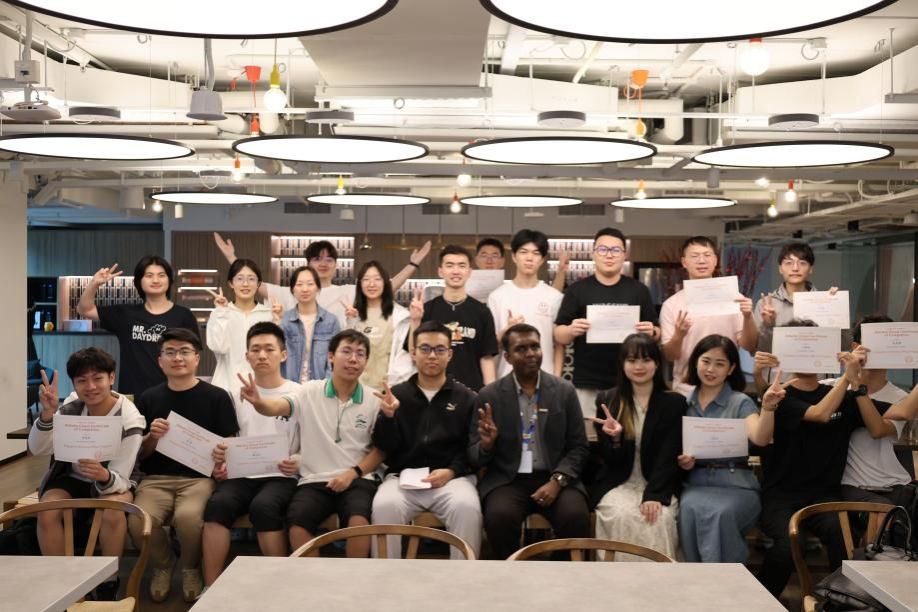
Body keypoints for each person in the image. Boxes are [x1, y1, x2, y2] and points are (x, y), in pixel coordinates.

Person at [754, 321, 890, 599]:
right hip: (781, 496)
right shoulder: (779, 396)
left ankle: (840, 603)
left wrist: (857, 383)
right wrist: (847, 378)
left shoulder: (845, 397)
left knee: (842, 538)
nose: (807, 353)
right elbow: (819, 414)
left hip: (825, 496)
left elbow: (891, 417)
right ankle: (759, 603)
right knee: (787, 547)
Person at [240, 330, 386, 558]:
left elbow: (381, 450)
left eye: (360, 354)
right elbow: (277, 407)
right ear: (331, 356)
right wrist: (259, 403)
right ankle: (311, 578)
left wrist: (352, 474)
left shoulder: (374, 399)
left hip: (357, 480)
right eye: (346, 351)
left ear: (366, 361)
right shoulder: (309, 391)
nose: (353, 359)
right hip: (314, 481)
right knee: (298, 523)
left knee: (358, 521)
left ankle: (356, 579)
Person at [128, 328, 239, 603]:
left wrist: (222, 456)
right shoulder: (149, 398)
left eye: (185, 352)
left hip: (199, 479)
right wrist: (152, 437)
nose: (177, 358)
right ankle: (164, 564)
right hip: (155, 479)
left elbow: (231, 443)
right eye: (170, 352)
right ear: (160, 361)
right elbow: (140, 454)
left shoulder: (217, 396)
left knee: (189, 518)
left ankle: (190, 567)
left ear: (197, 358)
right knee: (138, 521)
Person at [28, 347, 145, 601]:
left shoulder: (130, 419)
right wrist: (48, 414)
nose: (90, 387)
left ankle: (108, 583)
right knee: (47, 510)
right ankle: (61, 582)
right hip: (72, 477)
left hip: (116, 480)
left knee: (112, 512)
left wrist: (103, 475)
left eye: (98, 378)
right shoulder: (71, 407)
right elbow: (37, 449)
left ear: (111, 378)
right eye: (82, 380)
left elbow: (122, 474)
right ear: (74, 384)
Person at [470, 323, 590, 559]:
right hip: (508, 480)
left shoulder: (564, 391)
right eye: (521, 349)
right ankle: (512, 575)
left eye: (535, 346)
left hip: (556, 476)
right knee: (499, 518)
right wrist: (487, 444)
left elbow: (579, 447)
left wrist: (558, 480)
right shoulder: (489, 395)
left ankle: (561, 575)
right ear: (507, 357)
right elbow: (473, 456)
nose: (530, 354)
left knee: (575, 517)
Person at [201, 322, 301, 589]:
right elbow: (227, 440)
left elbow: (311, 440)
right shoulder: (234, 396)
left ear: (283, 354)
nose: (262, 355)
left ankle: (279, 586)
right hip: (242, 474)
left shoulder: (299, 393)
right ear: (246, 356)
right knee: (218, 505)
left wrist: (298, 460)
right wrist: (221, 460)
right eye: (255, 350)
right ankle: (210, 588)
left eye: (269, 349)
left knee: (264, 507)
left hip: (282, 475)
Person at [371, 321, 481, 558]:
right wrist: (388, 418)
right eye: (425, 349)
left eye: (440, 349)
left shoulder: (467, 398)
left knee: (467, 508)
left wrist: (452, 471)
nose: (432, 355)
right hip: (403, 479)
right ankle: (382, 575)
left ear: (450, 354)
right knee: (384, 506)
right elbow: (385, 448)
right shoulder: (396, 395)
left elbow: (471, 448)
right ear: (413, 352)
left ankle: (467, 575)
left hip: (452, 480)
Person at [677, 334, 786, 563]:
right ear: (696, 361)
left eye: (720, 363)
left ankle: (727, 578)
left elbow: (760, 438)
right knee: (686, 509)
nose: (711, 369)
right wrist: (682, 461)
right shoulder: (683, 403)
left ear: (731, 368)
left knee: (722, 514)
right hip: (696, 483)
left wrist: (768, 408)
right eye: (706, 361)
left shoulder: (740, 401)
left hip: (737, 484)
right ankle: (696, 577)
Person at [588, 334, 685, 561]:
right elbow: (610, 461)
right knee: (620, 515)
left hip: (659, 484)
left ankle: (658, 581)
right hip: (618, 483)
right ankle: (617, 580)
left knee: (659, 518)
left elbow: (669, 454)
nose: (639, 366)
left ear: (657, 363)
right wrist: (615, 439)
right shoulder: (608, 400)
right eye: (631, 360)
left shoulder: (674, 402)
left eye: (646, 360)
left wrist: (654, 495)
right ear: (622, 364)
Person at [554, 228, 659, 429]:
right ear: (593, 253)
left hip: (632, 382)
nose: (609, 255)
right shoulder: (577, 290)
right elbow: (559, 335)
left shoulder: (639, 290)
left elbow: (657, 332)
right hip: (587, 383)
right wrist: (571, 330)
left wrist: (651, 332)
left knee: (631, 436)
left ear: (624, 255)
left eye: (615, 250)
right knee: (587, 438)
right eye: (602, 249)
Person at [214, 232, 431, 328]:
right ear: (308, 263)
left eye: (329, 259)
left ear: (336, 264)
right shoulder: (290, 292)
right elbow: (250, 281)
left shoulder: (347, 291)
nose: (323, 264)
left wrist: (412, 265)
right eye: (317, 259)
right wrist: (232, 258)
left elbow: (385, 286)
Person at [826, 316, 918, 516]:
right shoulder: (832, 388)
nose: (883, 350)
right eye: (877, 342)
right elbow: (788, 394)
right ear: (856, 346)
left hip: (895, 484)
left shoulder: (900, 397)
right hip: (851, 488)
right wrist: (760, 378)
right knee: (889, 517)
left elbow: (880, 429)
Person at [76, 255, 200, 396]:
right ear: (139, 281)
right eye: (149, 275)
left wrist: (188, 391)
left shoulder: (184, 316)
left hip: (172, 394)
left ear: (169, 280)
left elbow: (192, 358)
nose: (155, 280)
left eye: (161, 275)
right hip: (132, 395)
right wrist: (94, 284)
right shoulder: (125, 314)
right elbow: (85, 310)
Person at [660, 236, 758, 396]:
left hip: (726, 390)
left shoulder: (735, 299)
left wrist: (747, 317)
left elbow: (750, 346)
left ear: (715, 260)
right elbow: (670, 356)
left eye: (707, 255)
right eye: (695, 256)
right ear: (684, 262)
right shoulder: (672, 304)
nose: (701, 260)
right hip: (686, 391)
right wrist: (679, 335)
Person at [409, 245, 498, 391]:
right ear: (440, 271)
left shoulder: (482, 312)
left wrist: (490, 395)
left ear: (469, 272)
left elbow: (486, 358)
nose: (456, 271)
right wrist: (415, 321)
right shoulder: (427, 309)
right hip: (432, 391)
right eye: (449, 265)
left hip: (471, 393)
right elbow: (414, 353)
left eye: (461, 266)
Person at [487, 229, 564, 378]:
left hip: (545, 379)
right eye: (523, 252)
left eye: (536, 253)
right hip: (506, 379)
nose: (529, 258)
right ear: (514, 256)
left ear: (542, 259)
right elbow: (491, 347)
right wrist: (507, 331)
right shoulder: (497, 297)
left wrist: (556, 379)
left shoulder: (555, 297)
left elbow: (559, 345)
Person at [206, 258, 279, 396]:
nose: (245, 284)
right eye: (239, 279)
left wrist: (277, 322)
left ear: (258, 284)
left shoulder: (268, 314)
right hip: (225, 388)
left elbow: (276, 354)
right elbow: (219, 347)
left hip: (261, 389)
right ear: (231, 283)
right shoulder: (220, 314)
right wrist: (222, 312)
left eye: (251, 279)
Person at [752, 242, 837, 352]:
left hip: (815, 362)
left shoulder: (824, 302)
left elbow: (843, 345)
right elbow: (759, 350)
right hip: (777, 363)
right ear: (780, 269)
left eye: (802, 263)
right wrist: (768, 325)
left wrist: (837, 308)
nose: (795, 268)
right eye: (789, 263)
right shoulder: (766, 305)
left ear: (811, 268)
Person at [344, 260, 414, 389]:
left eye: (377, 279)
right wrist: (351, 322)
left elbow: (405, 357)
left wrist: (395, 387)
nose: (372, 284)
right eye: (366, 279)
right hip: (357, 390)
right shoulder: (354, 315)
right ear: (360, 284)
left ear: (385, 283)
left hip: (389, 391)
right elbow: (346, 353)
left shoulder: (401, 316)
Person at [279, 265, 340, 384]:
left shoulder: (331, 321)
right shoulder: (285, 320)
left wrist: (326, 387)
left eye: (310, 284)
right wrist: (277, 323)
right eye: (299, 284)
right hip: (290, 386)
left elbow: (335, 360)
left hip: (320, 387)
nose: (305, 289)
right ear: (292, 290)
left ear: (318, 288)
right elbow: (277, 357)